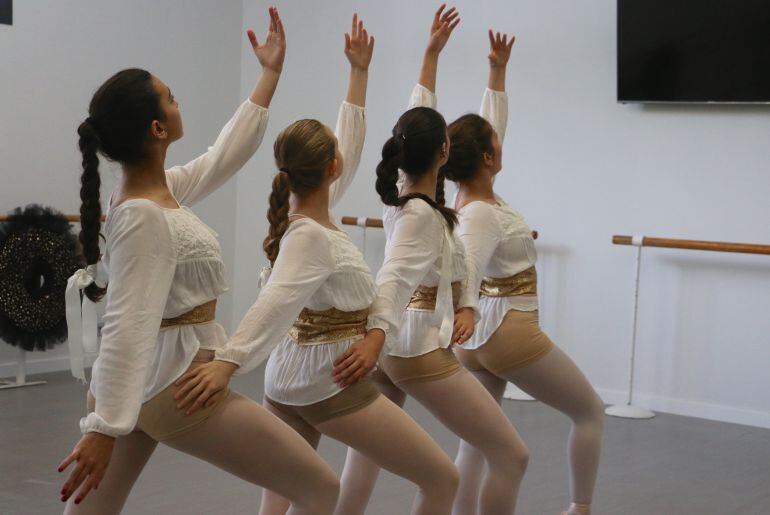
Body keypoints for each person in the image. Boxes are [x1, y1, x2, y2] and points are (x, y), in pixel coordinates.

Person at [59, 8, 340, 515]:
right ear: (157, 128)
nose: (177, 101)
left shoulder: (156, 194)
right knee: (322, 488)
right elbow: (127, 322)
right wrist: (101, 428)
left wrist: (268, 77)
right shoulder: (144, 214)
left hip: (154, 381)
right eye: (171, 97)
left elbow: (221, 156)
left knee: (91, 510)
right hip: (176, 385)